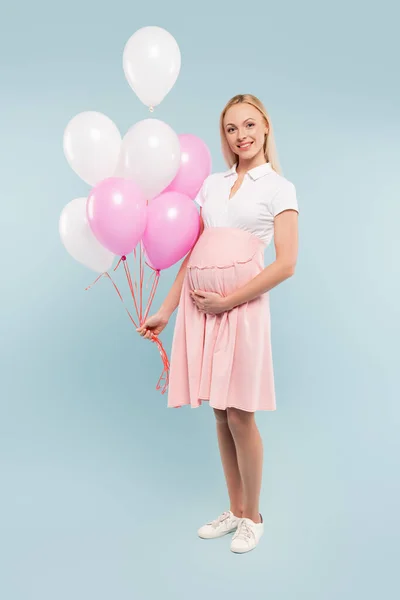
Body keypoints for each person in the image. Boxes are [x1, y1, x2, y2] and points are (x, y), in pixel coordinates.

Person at [137, 94, 299, 554]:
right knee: (219, 412)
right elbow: (194, 254)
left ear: (266, 127)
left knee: (240, 413)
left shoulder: (278, 188)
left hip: (240, 308)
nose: (241, 135)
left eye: (249, 125)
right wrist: (167, 310)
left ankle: (254, 516)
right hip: (199, 309)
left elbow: (286, 264)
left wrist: (227, 300)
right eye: (231, 129)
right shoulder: (212, 185)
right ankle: (234, 508)